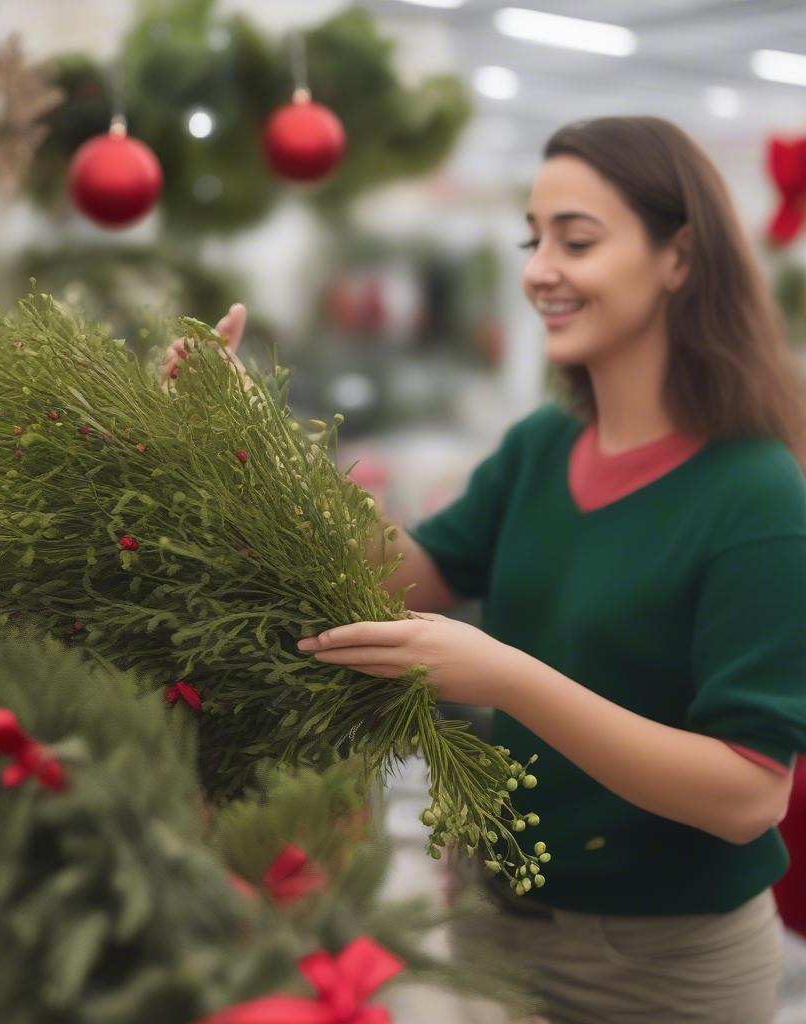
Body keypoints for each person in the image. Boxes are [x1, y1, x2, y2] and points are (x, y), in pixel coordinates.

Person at [166, 116, 806, 1024]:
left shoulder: (756, 492)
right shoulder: (545, 445)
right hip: (491, 925)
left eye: (576, 239)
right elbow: (398, 579)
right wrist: (253, 439)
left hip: (663, 969)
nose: (539, 268)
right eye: (532, 238)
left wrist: (505, 676)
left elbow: (748, 795)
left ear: (680, 257)